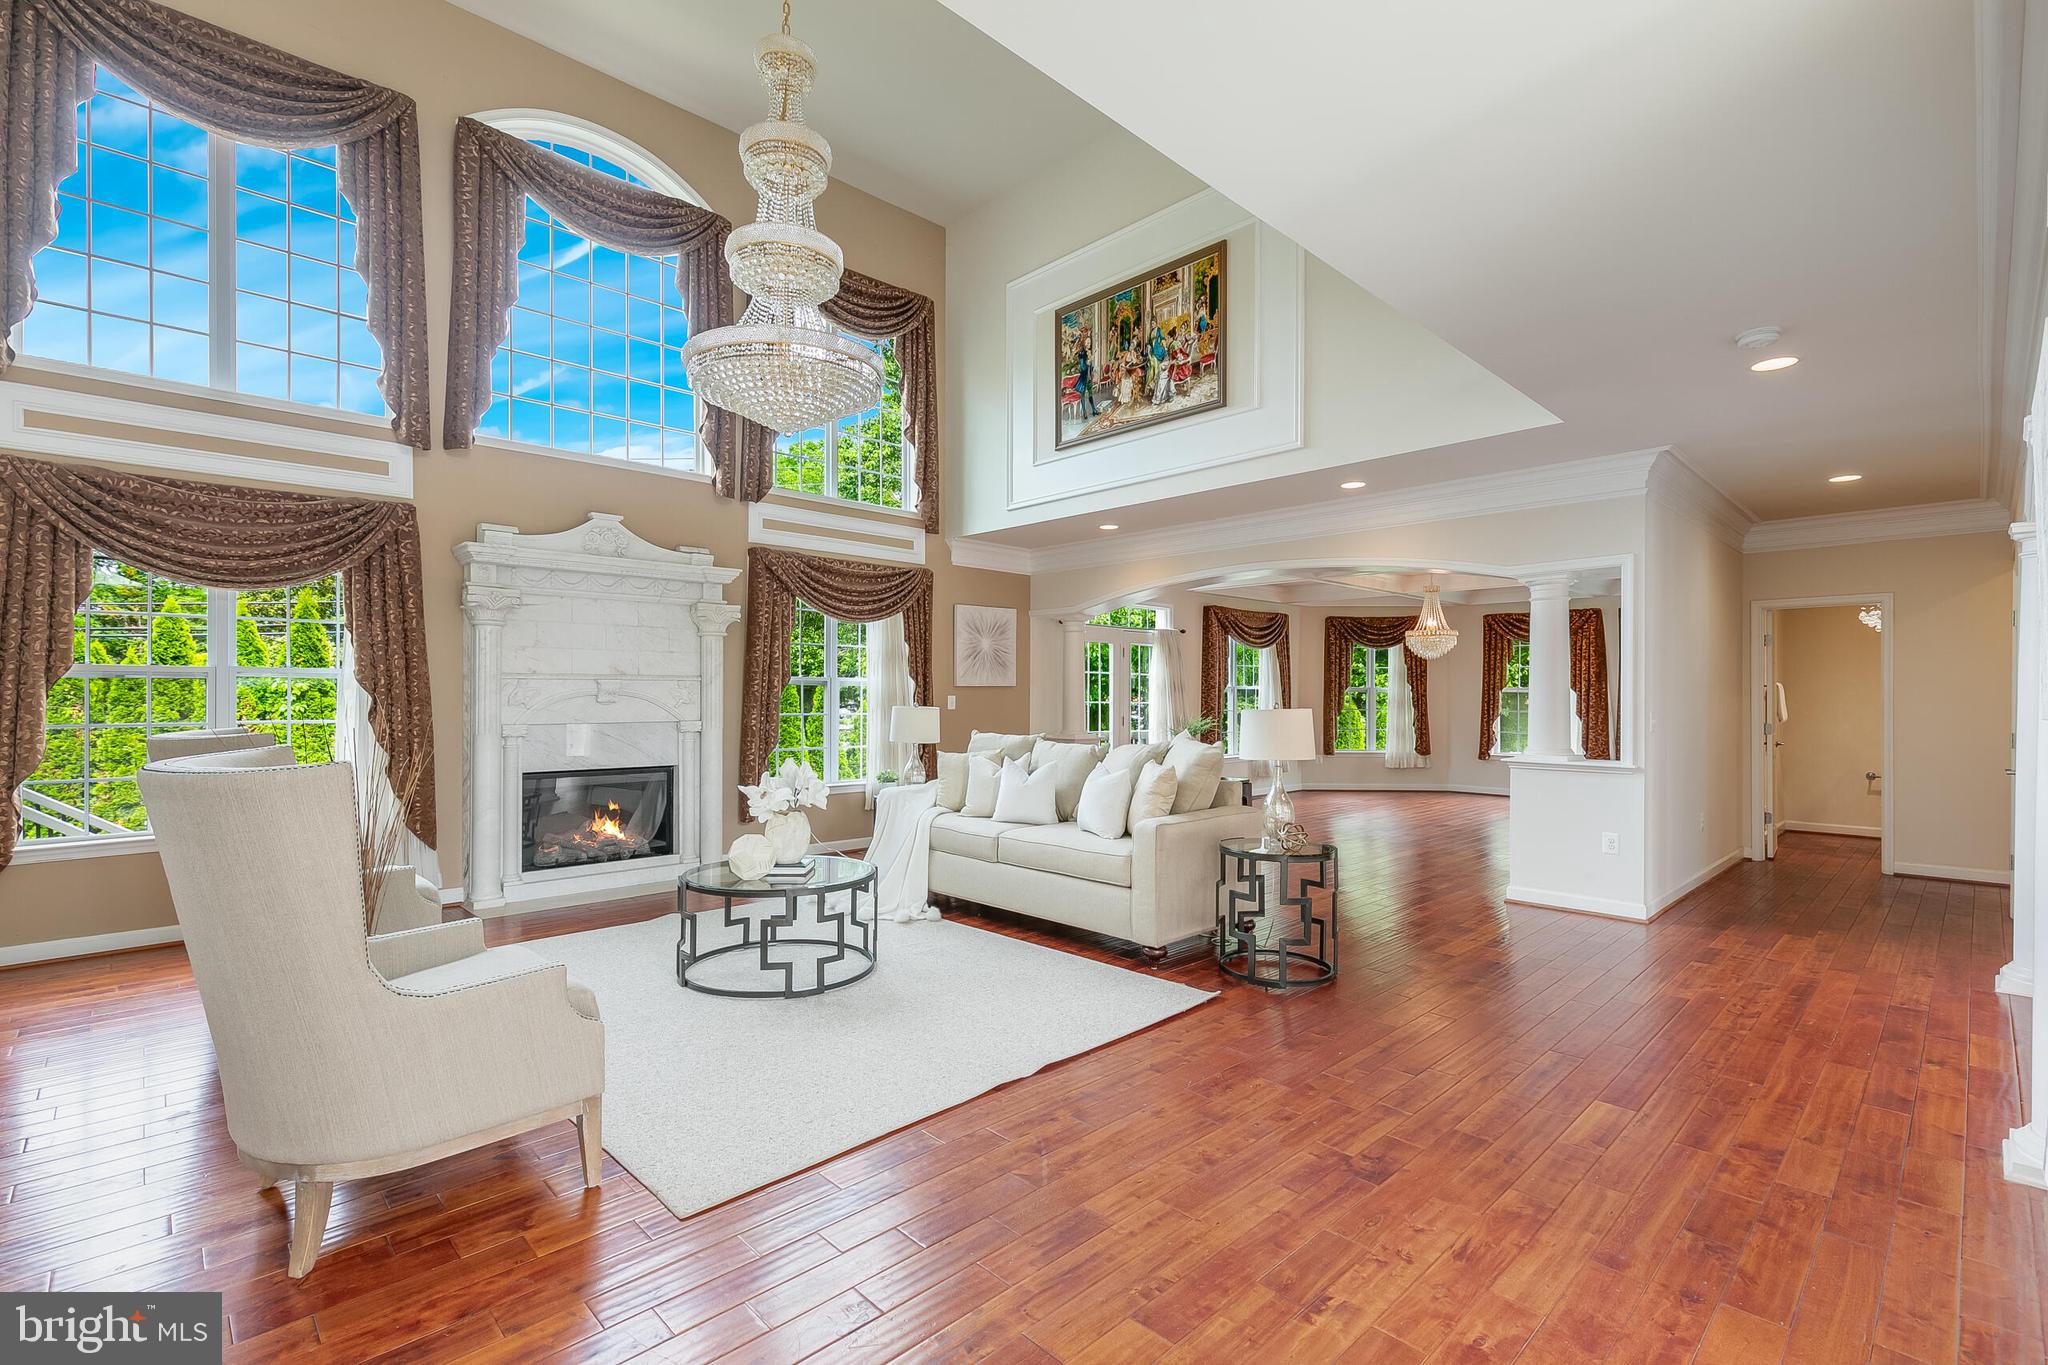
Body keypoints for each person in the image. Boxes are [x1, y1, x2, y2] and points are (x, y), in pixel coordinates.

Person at [1074, 340, 1097, 418]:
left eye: (1089, 342)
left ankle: (1094, 410)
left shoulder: (1089, 352)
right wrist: (1088, 362)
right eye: (1087, 343)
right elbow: (1082, 367)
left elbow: (1090, 366)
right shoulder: (1082, 353)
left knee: (1090, 394)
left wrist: (1091, 368)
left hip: (1089, 376)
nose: (1089, 344)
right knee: (1083, 395)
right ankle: (1084, 412)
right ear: (1084, 344)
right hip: (1084, 377)